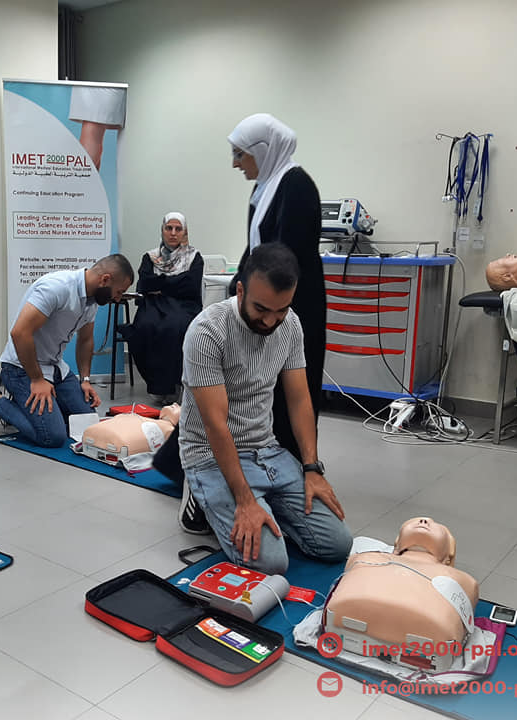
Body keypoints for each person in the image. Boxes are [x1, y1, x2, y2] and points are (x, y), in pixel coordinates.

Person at [179, 243, 351, 573]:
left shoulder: (291, 325)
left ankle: (265, 502)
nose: (271, 321)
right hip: (210, 455)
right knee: (270, 562)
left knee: (337, 544)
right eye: (261, 309)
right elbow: (216, 424)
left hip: (266, 450)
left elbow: (299, 399)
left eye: (281, 310)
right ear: (240, 290)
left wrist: (312, 469)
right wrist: (244, 501)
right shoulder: (207, 331)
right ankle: (199, 495)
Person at [227, 113, 326, 464]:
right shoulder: (265, 187)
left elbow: (284, 259)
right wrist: (238, 287)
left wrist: (261, 305)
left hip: (289, 307)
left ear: (262, 150)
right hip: (266, 303)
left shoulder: (296, 187)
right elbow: (256, 249)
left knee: (290, 389)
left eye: (240, 154)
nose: (236, 163)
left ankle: (292, 464)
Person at [0, 255, 135, 447]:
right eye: (119, 292)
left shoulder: (92, 300)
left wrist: (85, 380)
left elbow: (85, 340)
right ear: (105, 279)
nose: (118, 298)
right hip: (21, 369)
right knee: (52, 436)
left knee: (87, 426)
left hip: (56, 368)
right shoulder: (56, 288)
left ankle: (29, 408)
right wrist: (37, 380)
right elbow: (20, 333)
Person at [324, 517, 479, 671]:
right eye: (414, 521)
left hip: (349, 622)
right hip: (425, 643)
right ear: (397, 544)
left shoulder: (462, 580)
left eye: (435, 524)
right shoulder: (366, 558)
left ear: (449, 553)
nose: (424, 521)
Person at [120, 212, 203, 401]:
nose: (173, 233)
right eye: (169, 228)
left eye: (178, 229)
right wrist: (175, 282)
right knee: (144, 328)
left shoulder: (194, 257)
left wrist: (160, 284)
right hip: (153, 305)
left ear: (185, 232)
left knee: (174, 327)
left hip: (184, 306)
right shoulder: (150, 257)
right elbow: (145, 284)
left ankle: (173, 385)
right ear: (162, 230)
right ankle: (156, 385)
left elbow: (190, 287)